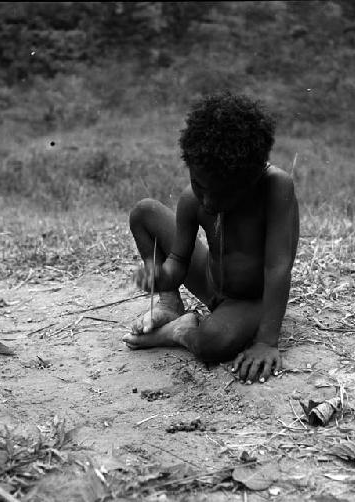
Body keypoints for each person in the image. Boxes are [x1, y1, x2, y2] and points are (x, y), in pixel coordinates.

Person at [122, 92, 299, 384]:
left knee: (212, 341)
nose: (208, 201)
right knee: (144, 213)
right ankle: (168, 305)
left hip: (251, 300)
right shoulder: (193, 200)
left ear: (252, 178)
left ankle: (179, 331)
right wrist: (160, 277)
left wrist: (266, 341)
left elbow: (278, 267)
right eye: (199, 185)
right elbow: (178, 262)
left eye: (222, 194)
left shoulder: (276, 188)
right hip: (211, 283)